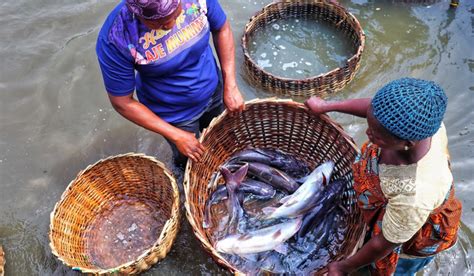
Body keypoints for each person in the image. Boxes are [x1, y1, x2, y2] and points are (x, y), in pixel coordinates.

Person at [305, 78, 462, 276]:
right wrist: (327, 106)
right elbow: (374, 109)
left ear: (407, 143)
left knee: (387, 268)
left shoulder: (414, 195)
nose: (368, 133)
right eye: (371, 125)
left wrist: (343, 267)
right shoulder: (421, 124)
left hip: (408, 234)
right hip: (391, 204)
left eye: (377, 136)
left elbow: (383, 244)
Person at [96, 0, 244, 167]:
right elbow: (122, 102)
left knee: (224, 140)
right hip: (175, 115)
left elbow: (222, 28)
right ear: (137, 15)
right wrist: (176, 135)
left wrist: (230, 85)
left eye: (175, 14)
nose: (170, 25)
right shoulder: (117, 37)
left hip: (214, 88)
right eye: (158, 22)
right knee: (189, 162)